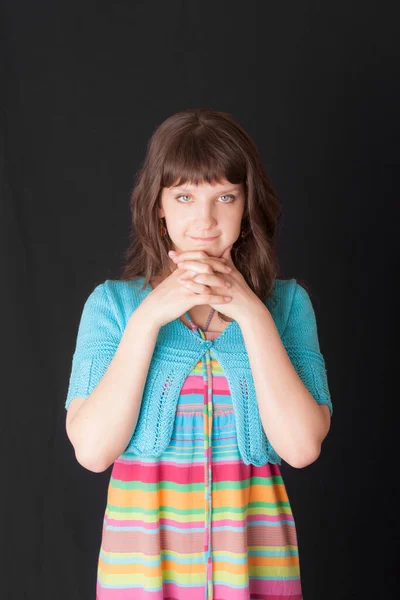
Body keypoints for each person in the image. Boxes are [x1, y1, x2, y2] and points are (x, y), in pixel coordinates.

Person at [64, 108, 333, 600]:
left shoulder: (288, 306)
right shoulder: (113, 307)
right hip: (140, 581)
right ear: (158, 206)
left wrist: (252, 315)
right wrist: (149, 318)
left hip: (257, 577)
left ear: (246, 204)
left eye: (224, 197)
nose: (205, 220)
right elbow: (93, 451)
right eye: (184, 196)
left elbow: (301, 448)